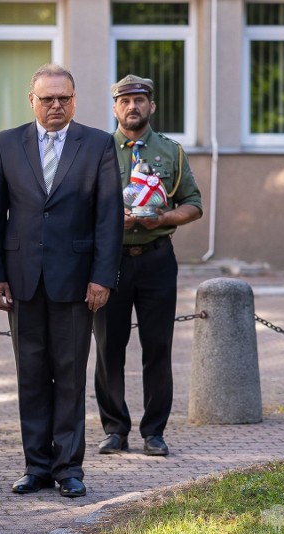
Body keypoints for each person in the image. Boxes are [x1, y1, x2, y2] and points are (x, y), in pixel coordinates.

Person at [0, 63, 123, 499]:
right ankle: (36, 466)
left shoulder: (97, 143)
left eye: (64, 98)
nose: (56, 105)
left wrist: (102, 277)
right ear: (33, 101)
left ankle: (68, 468)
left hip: (77, 281)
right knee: (31, 376)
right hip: (22, 280)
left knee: (70, 374)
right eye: (48, 99)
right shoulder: (7, 143)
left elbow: (108, 217)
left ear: (74, 100)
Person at [93, 75, 203, 457]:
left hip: (156, 259)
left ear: (151, 106)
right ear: (115, 108)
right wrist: (109, 221)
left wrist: (165, 219)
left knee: (157, 347)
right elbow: (82, 205)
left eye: (139, 100)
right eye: (124, 101)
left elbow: (193, 204)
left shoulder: (171, 152)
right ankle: (115, 429)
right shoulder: (99, 149)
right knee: (109, 348)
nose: (132, 107)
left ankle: (154, 431)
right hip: (111, 262)